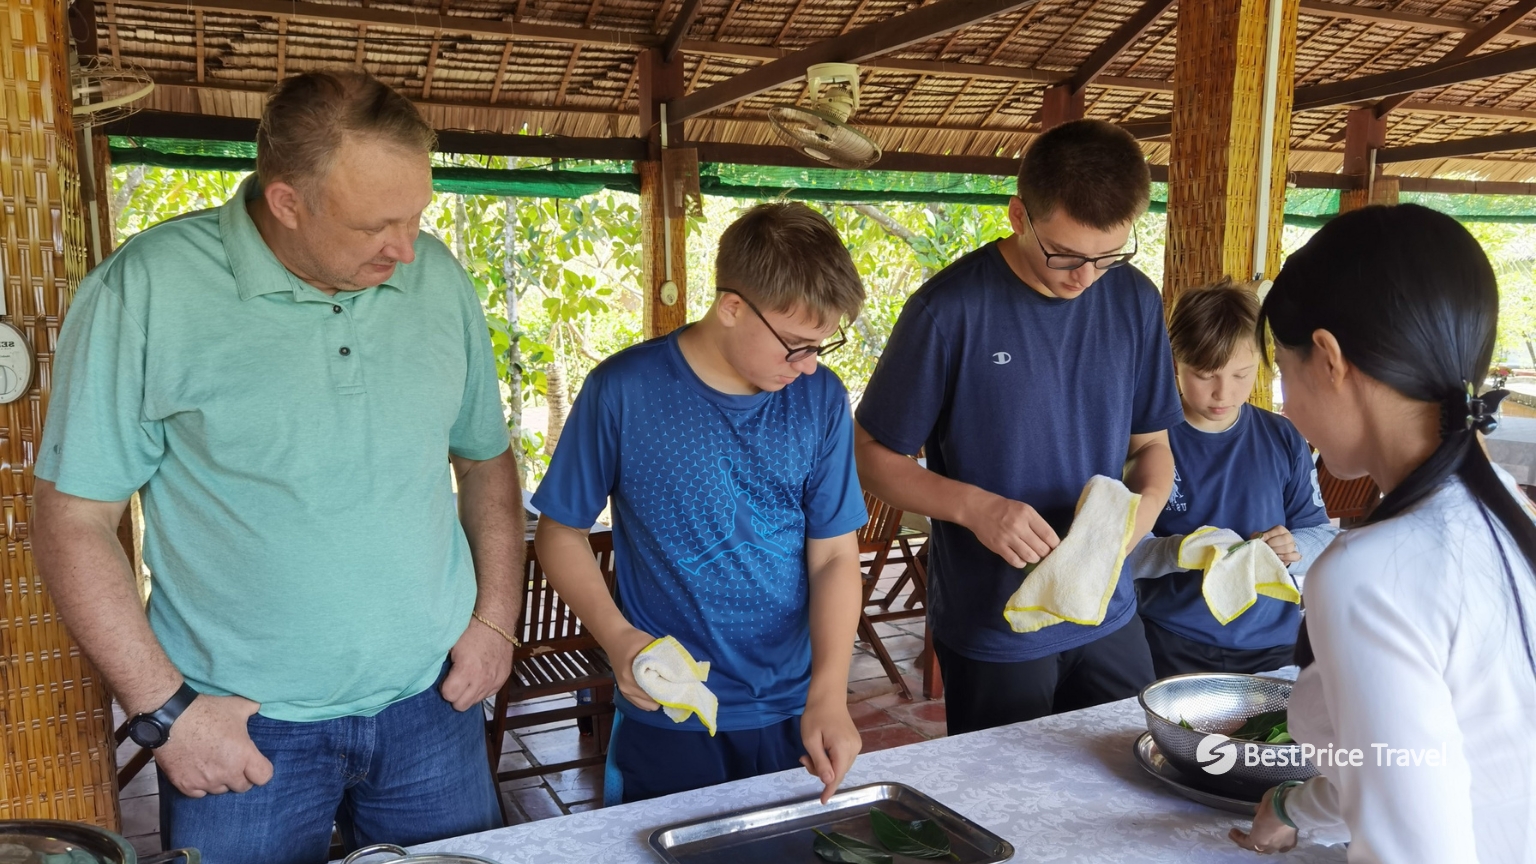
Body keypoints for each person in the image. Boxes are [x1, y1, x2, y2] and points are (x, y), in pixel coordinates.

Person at [33, 71, 520, 862]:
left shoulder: (436, 279)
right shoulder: (148, 289)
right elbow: (72, 516)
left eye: (417, 214)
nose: (408, 247)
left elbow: (488, 462)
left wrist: (496, 620)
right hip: (244, 724)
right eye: (376, 225)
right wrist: (165, 711)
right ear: (287, 201)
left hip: (434, 707)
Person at [532, 202, 868, 806]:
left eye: (823, 344)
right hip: (669, 704)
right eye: (795, 344)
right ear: (732, 306)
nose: (810, 364)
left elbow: (834, 557)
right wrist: (616, 637)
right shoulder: (624, 390)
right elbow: (560, 533)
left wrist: (830, 692)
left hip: (793, 704)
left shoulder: (819, 398)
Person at [855, 119, 1182, 734]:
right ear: (1017, 215)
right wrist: (976, 508)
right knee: (1006, 811)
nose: (1084, 277)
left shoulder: (1135, 299)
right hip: (993, 621)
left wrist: (1139, 518)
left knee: (1134, 772)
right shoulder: (948, 311)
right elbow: (871, 454)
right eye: (1064, 255)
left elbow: (1153, 446)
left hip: (1105, 609)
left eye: (1108, 257)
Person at [1230, 204, 1536, 860]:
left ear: (1329, 359)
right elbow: (1421, 757)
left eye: (1282, 373)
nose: (1283, 405)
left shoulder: (1366, 573)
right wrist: (1292, 804)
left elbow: (1415, 848)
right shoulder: (1503, 509)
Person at [1130, 280, 1338, 678]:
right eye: (1205, 375)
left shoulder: (1283, 437)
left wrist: (1291, 545)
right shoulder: (1147, 440)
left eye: (1241, 375)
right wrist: (1180, 550)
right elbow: (1119, 551)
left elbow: (1323, 536)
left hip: (1273, 642)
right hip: (1171, 639)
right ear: (1175, 363)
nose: (1223, 393)